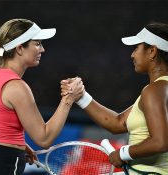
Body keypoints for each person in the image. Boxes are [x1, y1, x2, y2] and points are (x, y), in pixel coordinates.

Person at [61, 22, 168, 174]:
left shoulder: (154, 91)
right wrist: (81, 96)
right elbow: (117, 123)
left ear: (152, 51)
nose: (132, 55)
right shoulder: (160, 89)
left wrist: (123, 153)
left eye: (136, 48)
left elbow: (161, 142)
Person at [0, 18, 84, 175]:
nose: (42, 50)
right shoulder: (17, 87)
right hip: (3, 162)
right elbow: (44, 139)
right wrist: (68, 99)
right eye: (37, 44)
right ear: (20, 48)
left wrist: (18, 143)